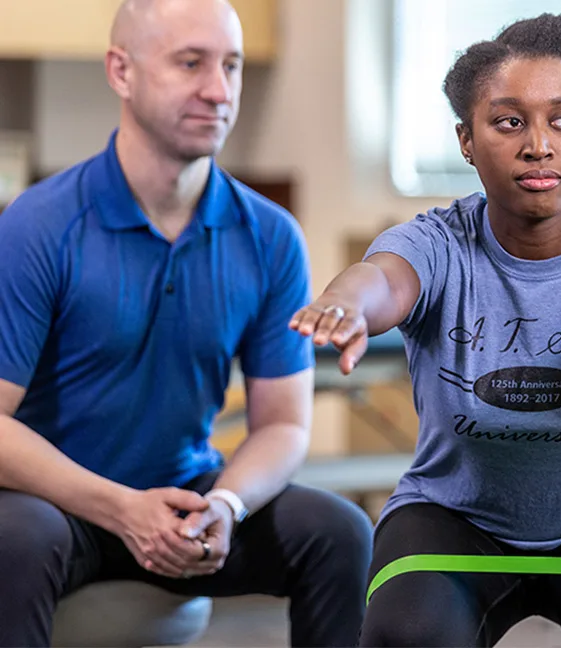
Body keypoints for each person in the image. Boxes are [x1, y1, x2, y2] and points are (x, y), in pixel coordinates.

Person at [291, 12, 561, 648]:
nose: (539, 145)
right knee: (407, 638)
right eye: (508, 121)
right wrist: (345, 304)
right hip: (452, 516)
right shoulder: (438, 241)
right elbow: (384, 280)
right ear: (467, 139)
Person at [0, 0, 373, 646]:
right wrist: (120, 509)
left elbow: (283, 424)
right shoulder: (38, 226)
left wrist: (226, 506)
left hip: (188, 496)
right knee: (15, 539)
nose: (218, 89)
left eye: (230, 65)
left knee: (341, 533)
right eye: (190, 63)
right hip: (63, 505)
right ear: (122, 71)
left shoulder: (270, 237)